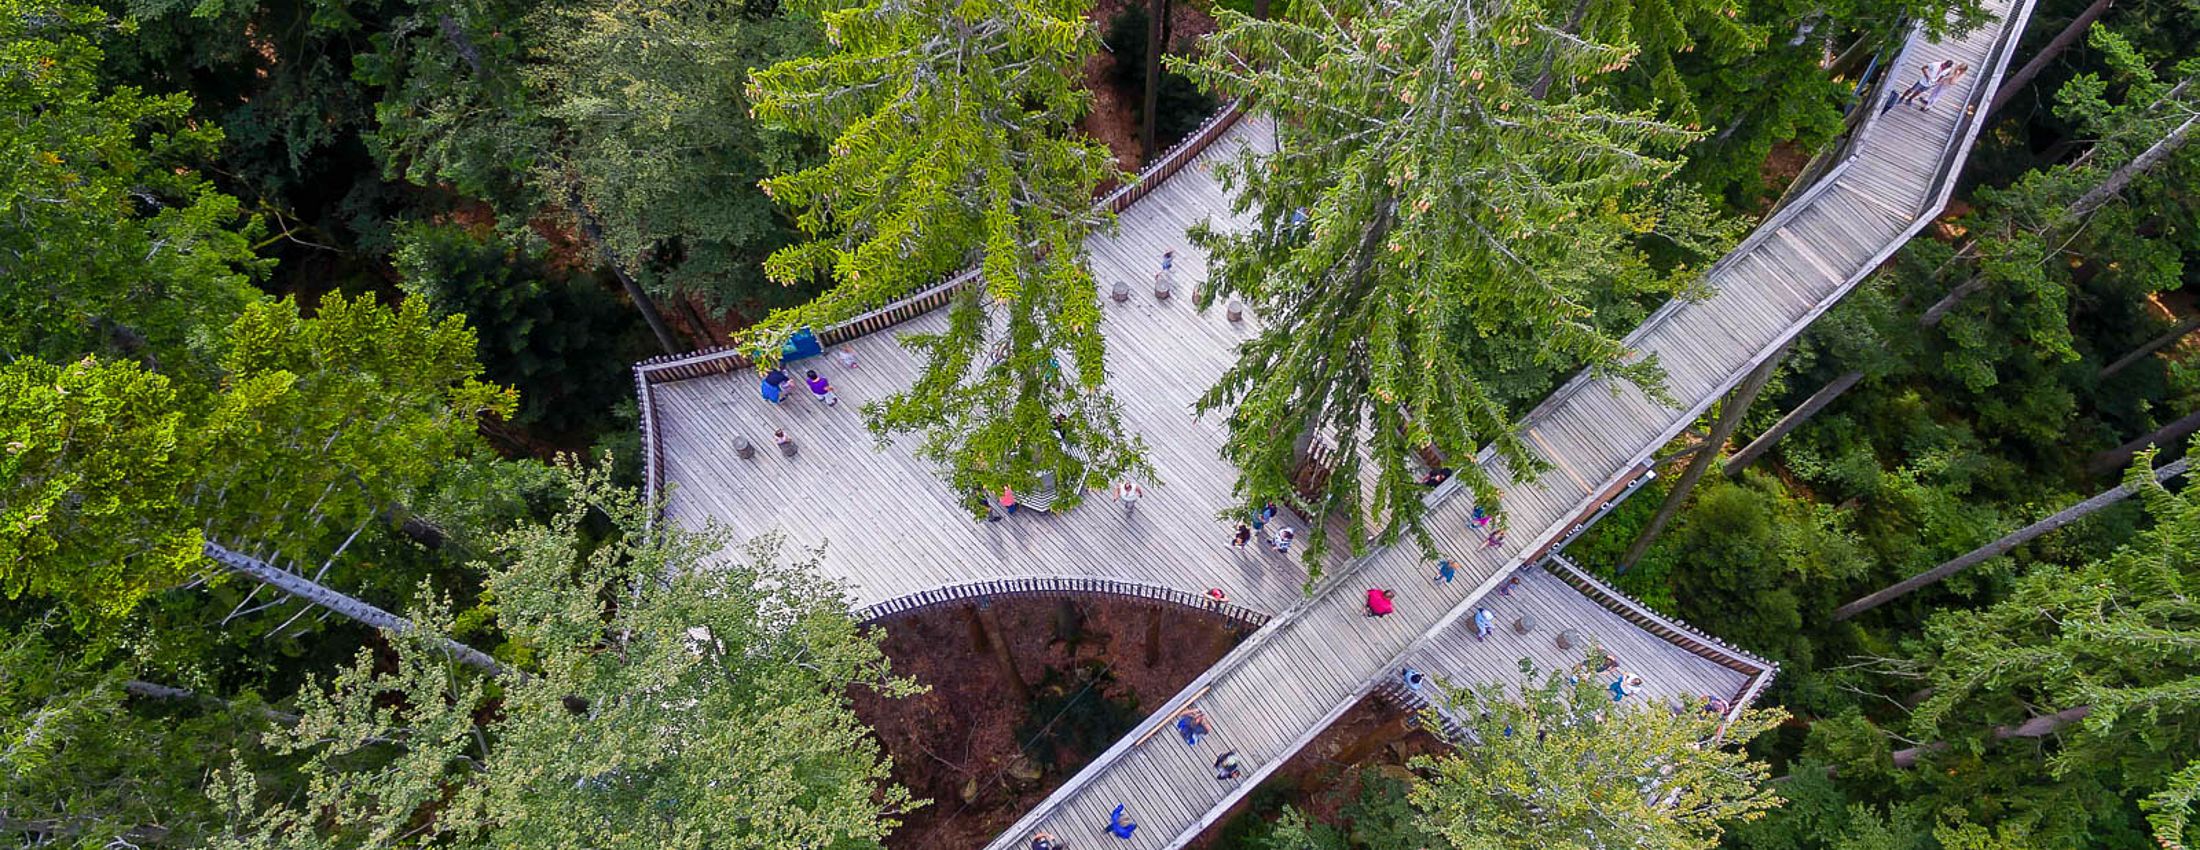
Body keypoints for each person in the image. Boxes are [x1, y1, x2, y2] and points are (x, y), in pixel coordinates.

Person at [1886, 59, 1954, 113]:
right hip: (1923, 80)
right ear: (1944, 63)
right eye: (1944, 66)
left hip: (1931, 83)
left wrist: (1937, 82)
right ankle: (1902, 97)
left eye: (1946, 67)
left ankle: (1910, 99)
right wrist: (1927, 76)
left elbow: (1942, 76)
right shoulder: (1935, 64)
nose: (1945, 68)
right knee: (1912, 89)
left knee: (1919, 91)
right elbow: (1924, 68)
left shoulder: (1947, 70)